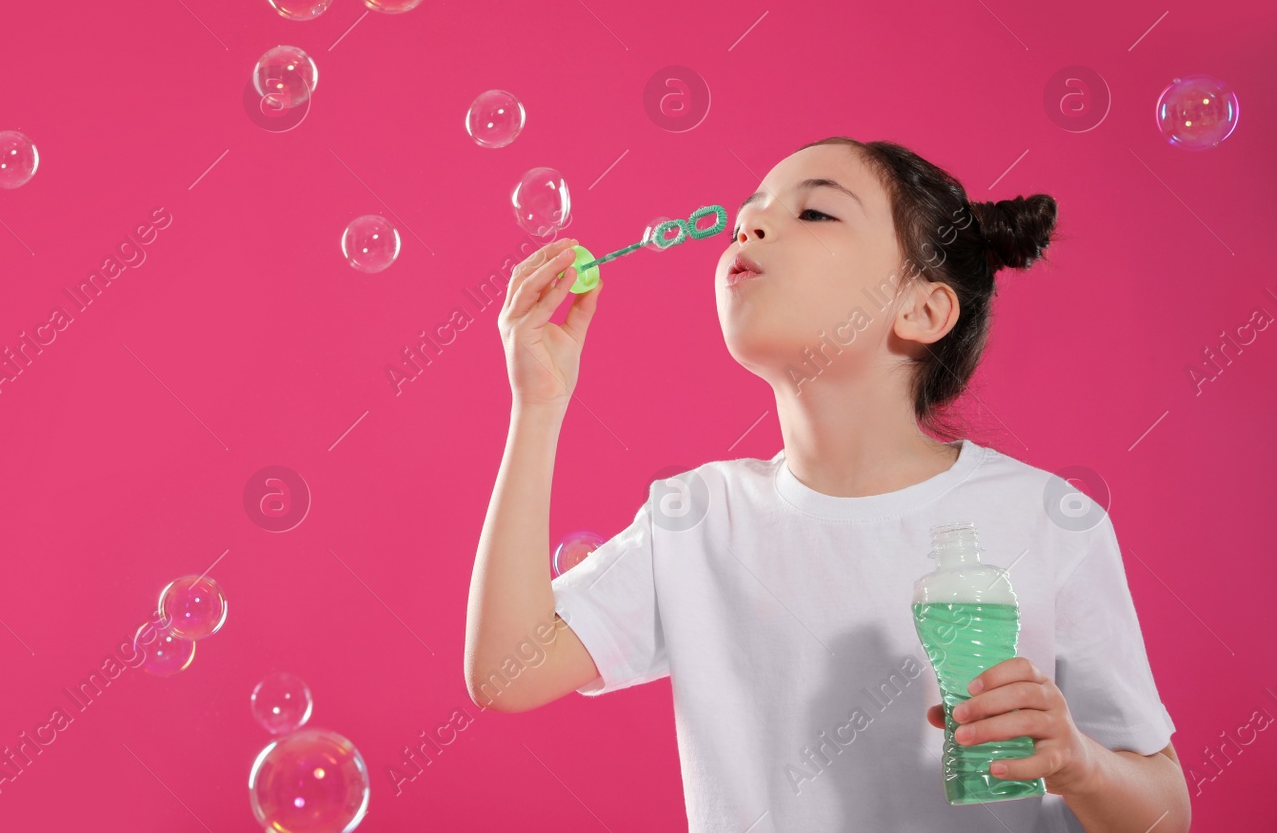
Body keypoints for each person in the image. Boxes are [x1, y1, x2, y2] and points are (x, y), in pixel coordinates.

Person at [464, 137, 1191, 832]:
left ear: (924, 309)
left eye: (813, 211)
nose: (747, 224)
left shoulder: (1046, 520)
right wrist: (539, 404)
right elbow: (506, 669)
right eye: (751, 209)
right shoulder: (699, 518)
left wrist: (1077, 761)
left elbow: (1166, 813)